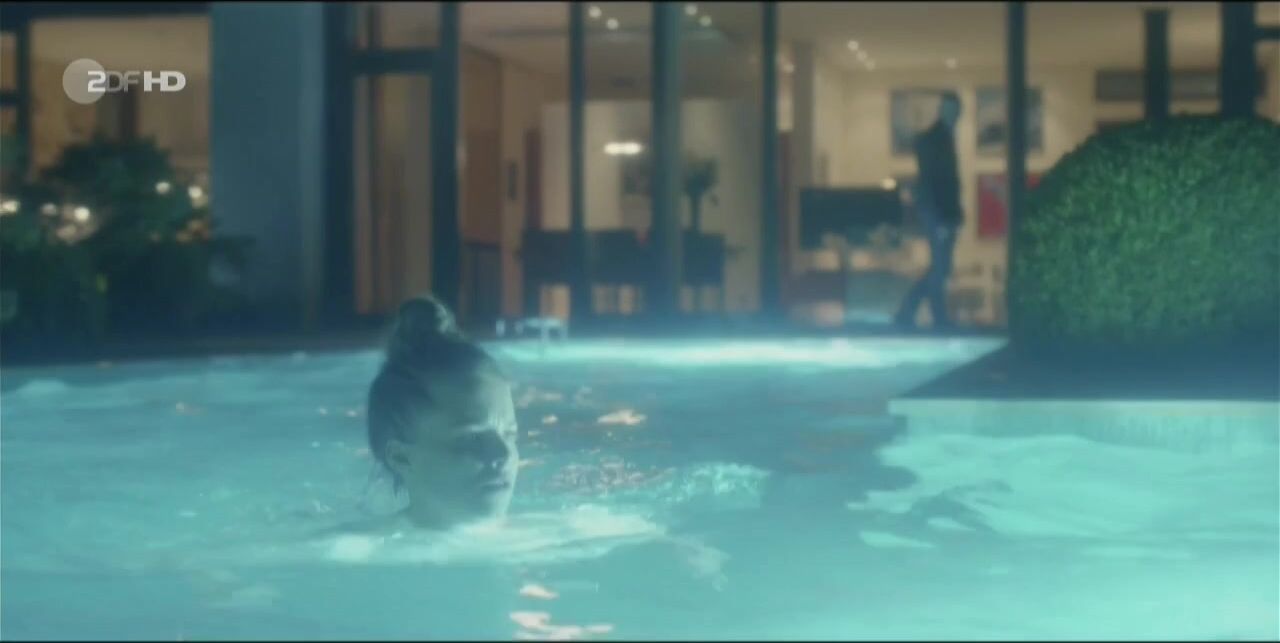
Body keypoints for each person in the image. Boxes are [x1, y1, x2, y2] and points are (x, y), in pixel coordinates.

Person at [364, 293, 520, 531]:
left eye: (509, 434)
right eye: (471, 438)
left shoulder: (561, 534)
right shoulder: (356, 549)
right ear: (401, 458)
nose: (503, 453)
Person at [895, 91, 964, 332]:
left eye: (955, 111)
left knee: (941, 267)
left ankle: (909, 312)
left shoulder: (942, 138)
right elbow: (934, 182)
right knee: (940, 267)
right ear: (943, 110)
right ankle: (933, 316)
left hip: (942, 214)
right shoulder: (934, 140)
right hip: (939, 215)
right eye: (950, 110)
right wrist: (941, 218)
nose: (954, 115)